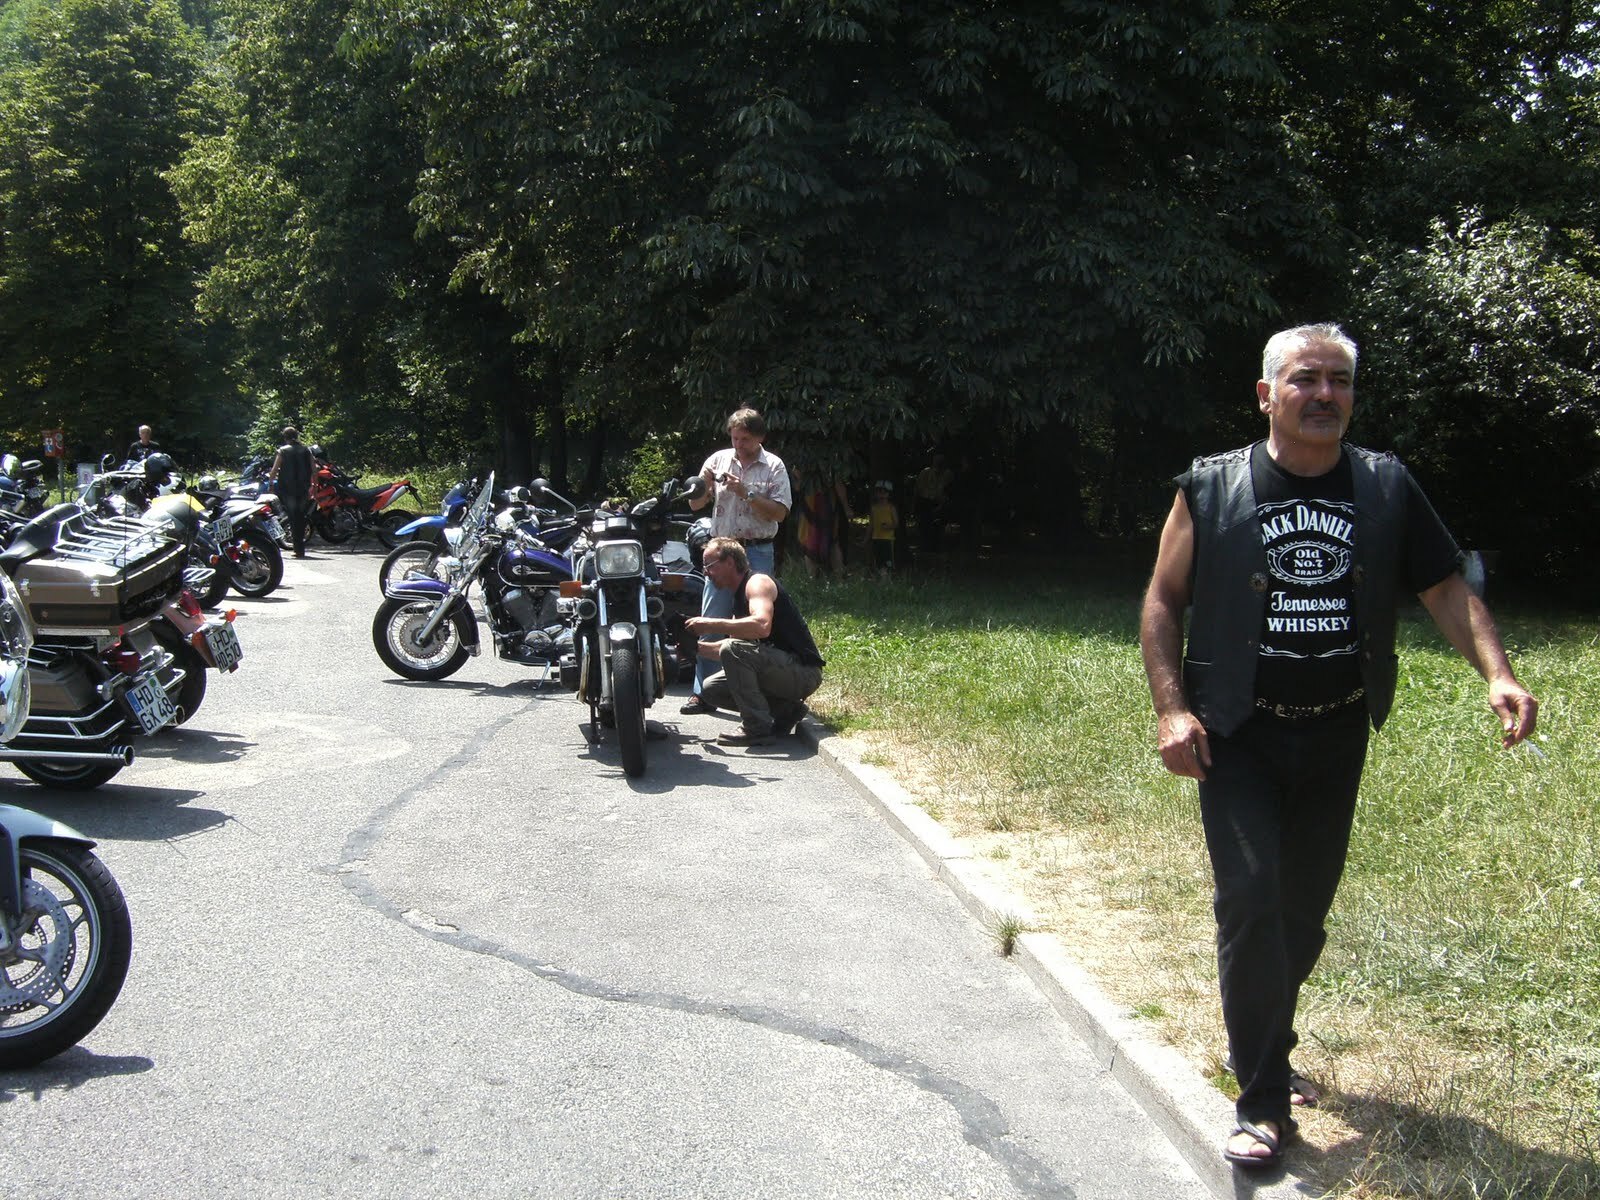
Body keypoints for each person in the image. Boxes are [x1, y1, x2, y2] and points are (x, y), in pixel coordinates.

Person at [1139, 322, 1538, 1171]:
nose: (1325, 395)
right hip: (1238, 733)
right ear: (1266, 394)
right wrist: (1173, 711)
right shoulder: (1212, 486)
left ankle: (1266, 1039)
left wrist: (1497, 673)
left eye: (1340, 381)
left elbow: (1444, 587)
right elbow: (1164, 601)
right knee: (1252, 900)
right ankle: (1261, 1104)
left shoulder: (1386, 485)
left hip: (1335, 729)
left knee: (1301, 914)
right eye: (1306, 379)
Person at [680, 408, 792, 715]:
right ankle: (703, 692)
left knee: (754, 621)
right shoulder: (718, 459)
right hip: (721, 551)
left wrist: (746, 492)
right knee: (711, 617)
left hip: (756, 550)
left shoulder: (773, 466)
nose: (739, 445)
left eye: (745, 439)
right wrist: (701, 486)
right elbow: (695, 504)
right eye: (734, 438)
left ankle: (754, 693)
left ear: (760, 438)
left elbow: (780, 513)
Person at [687, 537, 823, 746]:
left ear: (730, 562)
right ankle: (786, 711)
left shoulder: (757, 583)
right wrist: (694, 648)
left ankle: (756, 728)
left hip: (803, 672)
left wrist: (711, 624)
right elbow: (731, 652)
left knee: (733, 649)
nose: (706, 572)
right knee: (711, 689)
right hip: (781, 669)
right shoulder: (737, 597)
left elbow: (761, 625)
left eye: (709, 565)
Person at [268, 426, 317, 558]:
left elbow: (274, 470)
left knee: (293, 517)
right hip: (303, 488)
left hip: (288, 489)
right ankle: (300, 549)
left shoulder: (283, 451)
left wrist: (271, 484)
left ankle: (297, 549)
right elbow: (314, 470)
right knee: (301, 517)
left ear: (285, 437)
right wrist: (315, 487)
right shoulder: (306, 450)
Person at [795, 471, 853, 579]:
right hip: (813, 504)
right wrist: (846, 507)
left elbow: (798, 485)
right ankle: (830, 579)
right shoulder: (805, 463)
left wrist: (846, 507)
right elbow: (798, 485)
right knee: (814, 541)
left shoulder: (828, 465)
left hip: (822, 503)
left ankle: (818, 579)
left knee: (830, 541)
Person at [869, 481, 898, 576]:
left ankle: (886, 578)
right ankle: (880, 577)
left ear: (889, 494)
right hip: (876, 538)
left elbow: (896, 523)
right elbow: (871, 524)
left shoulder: (891, 507)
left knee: (888, 561)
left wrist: (888, 526)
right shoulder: (874, 508)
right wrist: (866, 538)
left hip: (887, 539)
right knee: (877, 559)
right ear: (876, 493)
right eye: (879, 492)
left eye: (885, 492)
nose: (882, 495)